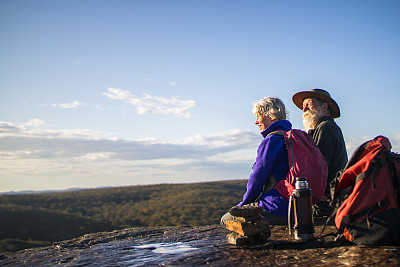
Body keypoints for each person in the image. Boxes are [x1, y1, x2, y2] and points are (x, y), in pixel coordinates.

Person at [220, 96, 292, 225]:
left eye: (258, 116)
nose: (256, 122)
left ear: (271, 116)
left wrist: (243, 205)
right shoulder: (292, 137)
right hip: (297, 206)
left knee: (226, 219)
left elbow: (257, 178)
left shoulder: (271, 141)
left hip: (276, 207)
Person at [292, 88, 348, 217]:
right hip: (333, 200)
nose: (304, 109)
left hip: (327, 203)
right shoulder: (326, 127)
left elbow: (318, 170)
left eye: (309, 104)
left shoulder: (325, 128)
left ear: (324, 106)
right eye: (303, 106)